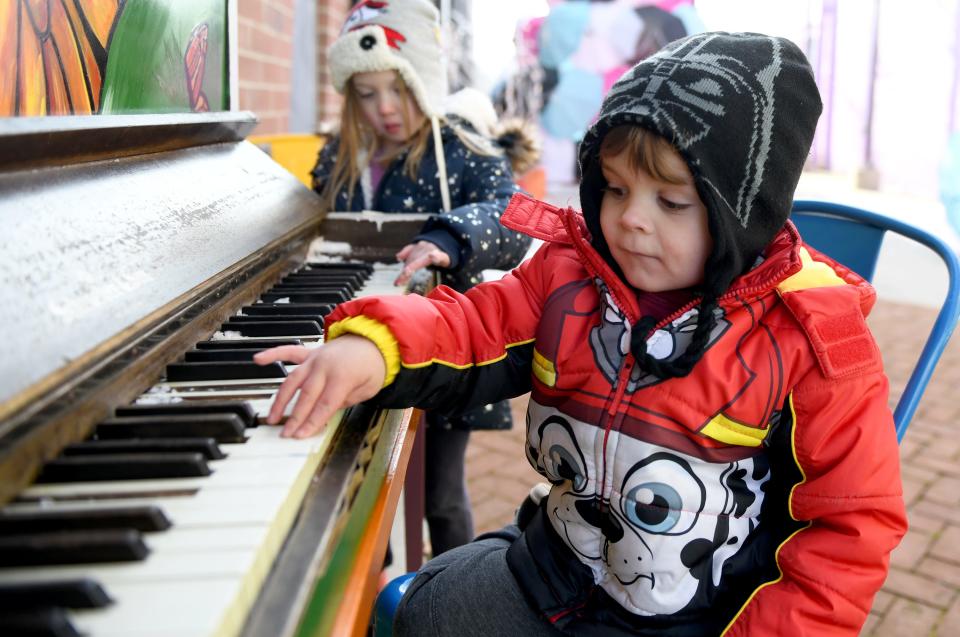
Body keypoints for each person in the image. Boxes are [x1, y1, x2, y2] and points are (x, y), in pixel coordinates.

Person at [257, 31, 907, 635]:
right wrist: (374, 345)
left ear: (744, 211)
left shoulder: (813, 338)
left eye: (671, 201)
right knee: (421, 614)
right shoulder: (572, 272)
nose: (629, 220)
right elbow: (475, 322)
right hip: (554, 565)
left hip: (702, 615)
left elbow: (848, 528)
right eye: (615, 188)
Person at [312, 0, 534, 557]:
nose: (385, 108)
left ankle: (449, 590)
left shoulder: (461, 148)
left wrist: (448, 238)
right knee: (365, 490)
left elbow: (511, 216)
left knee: (440, 497)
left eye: (399, 88)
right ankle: (377, 589)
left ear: (425, 80)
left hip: (445, 351)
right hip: (364, 344)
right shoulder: (341, 156)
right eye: (366, 93)